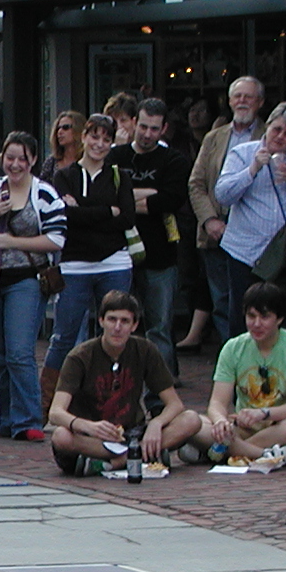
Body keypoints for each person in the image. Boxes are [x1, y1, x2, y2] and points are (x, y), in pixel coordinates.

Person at [0, 131, 67, 442]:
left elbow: (57, 238)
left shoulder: (44, 193)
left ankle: (29, 419)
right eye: (10, 158)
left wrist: (14, 242)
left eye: (23, 158)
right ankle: (7, 420)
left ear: (33, 160)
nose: (15, 164)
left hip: (26, 280)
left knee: (20, 352)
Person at [47, 290, 202, 477]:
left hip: (132, 433)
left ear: (134, 325)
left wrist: (157, 423)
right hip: (93, 436)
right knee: (61, 436)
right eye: (112, 320)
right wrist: (87, 426)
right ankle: (141, 456)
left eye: (125, 321)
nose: (117, 327)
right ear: (101, 321)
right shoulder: (80, 357)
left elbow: (175, 404)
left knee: (191, 419)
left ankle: (117, 462)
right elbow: (55, 412)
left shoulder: (145, 349)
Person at [42, 113, 137, 408]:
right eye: (94, 136)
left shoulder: (120, 176)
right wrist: (107, 211)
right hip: (74, 265)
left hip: (115, 262)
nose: (99, 144)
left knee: (115, 334)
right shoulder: (64, 176)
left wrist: (82, 209)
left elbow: (128, 217)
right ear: (84, 137)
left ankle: (113, 402)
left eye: (106, 139)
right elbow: (65, 218)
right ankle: (47, 405)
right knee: (63, 336)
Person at [214, 101, 286, 334]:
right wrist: (252, 169)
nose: (281, 137)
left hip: (284, 256)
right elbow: (223, 195)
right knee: (242, 317)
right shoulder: (242, 153)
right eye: (277, 129)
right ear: (268, 125)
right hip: (245, 252)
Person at [189, 280, 286, 464]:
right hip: (241, 428)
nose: (256, 324)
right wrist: (220, 421)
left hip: (278, 425)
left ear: (279, 318)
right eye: (251, 316)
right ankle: (264, 455)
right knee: (194, 422)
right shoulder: (233, 347)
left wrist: (263, 413)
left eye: (264, 317)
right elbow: (217, 402)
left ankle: (222, 451)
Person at [109, 97, 191, 375]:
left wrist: (126, 199)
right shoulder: (116, 157)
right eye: (143, 126)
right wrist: (148, 194)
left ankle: (163, 381)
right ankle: (119, 377)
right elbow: (106, 196)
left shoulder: (174, 160)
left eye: (154, 129)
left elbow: (170, 199)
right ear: (134, 123)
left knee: (160, 325)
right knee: (117, 322)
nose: (147, 134)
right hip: (118, 252)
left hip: (160, 253)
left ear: (164, 129)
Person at [188, 75, 265, 345]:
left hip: (256, 234)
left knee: (254, 299)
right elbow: (196, 183)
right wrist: (209, 220)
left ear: (260, 102)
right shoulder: (214, 138)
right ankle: (230, 357)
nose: (242, 101)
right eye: (237, 96)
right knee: (222, 301)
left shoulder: (271, 136)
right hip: (217, 231)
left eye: (248, 96)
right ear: (230, 101)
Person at [45, 110, 85, 177]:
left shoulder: (87, 159)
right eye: (58, 128)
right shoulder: (51, 162)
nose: (60, 132)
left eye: (65, 127)